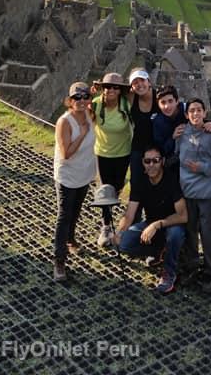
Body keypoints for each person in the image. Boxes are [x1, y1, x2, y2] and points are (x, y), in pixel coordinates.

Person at [114, 144, 188, 295]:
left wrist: (157, 224)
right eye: (148, 161)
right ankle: (160, 253)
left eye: (155, 160)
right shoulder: (140, 182)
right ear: (143, 163)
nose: (152, 165)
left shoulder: (171, 180)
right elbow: (129, 215)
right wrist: (119, 232)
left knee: (175, 234)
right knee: (125, 243)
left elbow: (183, 216)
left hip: (171, 224)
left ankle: (169, 272)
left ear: (162, 161)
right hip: (150, 223)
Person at [178, 97, 211, 293]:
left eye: (199, 110)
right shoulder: (181, 133)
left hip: (207, 194)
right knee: (190, 230)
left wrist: (203, 167)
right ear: (186, 115)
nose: (195, 114)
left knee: (207, 233)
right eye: (192, 111)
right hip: (187, 192)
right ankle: (191, 265)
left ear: (205, 113)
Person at [53, 81, 95, 282]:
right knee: (64, 215)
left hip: (85, 173)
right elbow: (66, 152)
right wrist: (84, 133)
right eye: (76, 98)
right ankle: (59, 260)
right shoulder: (65, 122)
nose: (81, 101)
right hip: (68, 176)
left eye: (85, 97)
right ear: (70, 101)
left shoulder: (90, 114)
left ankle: (71, 240)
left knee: (76, 210)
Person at [92, 72, 133, 247]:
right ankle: (106, 226)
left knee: (116, 191)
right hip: (102, 154)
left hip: (123, 153)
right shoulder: (95, 105)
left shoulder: (126, 105)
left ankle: (121, 221)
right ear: (102, 88)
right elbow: (77, 105)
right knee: (105, 193)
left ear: (120, 91)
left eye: (115, 87)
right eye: (107, 86)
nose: (111, 90)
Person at [128, 68, 157, 195]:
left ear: (149, 82)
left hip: (158, 149)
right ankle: (136, 213)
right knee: (136, 184)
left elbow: (183, 109)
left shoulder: (159, 97)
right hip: (137, 148)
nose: (139, 84)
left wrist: (210, 122)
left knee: (155, 184)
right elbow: (110, 95)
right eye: (135, 82)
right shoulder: (131, 97)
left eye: (142, 80)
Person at [152, 85, 187, 164]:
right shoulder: (158, 122)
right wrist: (173, 137)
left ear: (177, 101)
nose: (167, 106)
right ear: (158, 104)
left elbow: (204, 119)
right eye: (163, 102)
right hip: (172, 160)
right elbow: (160, 149)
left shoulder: (188, 110)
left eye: (170, 101)